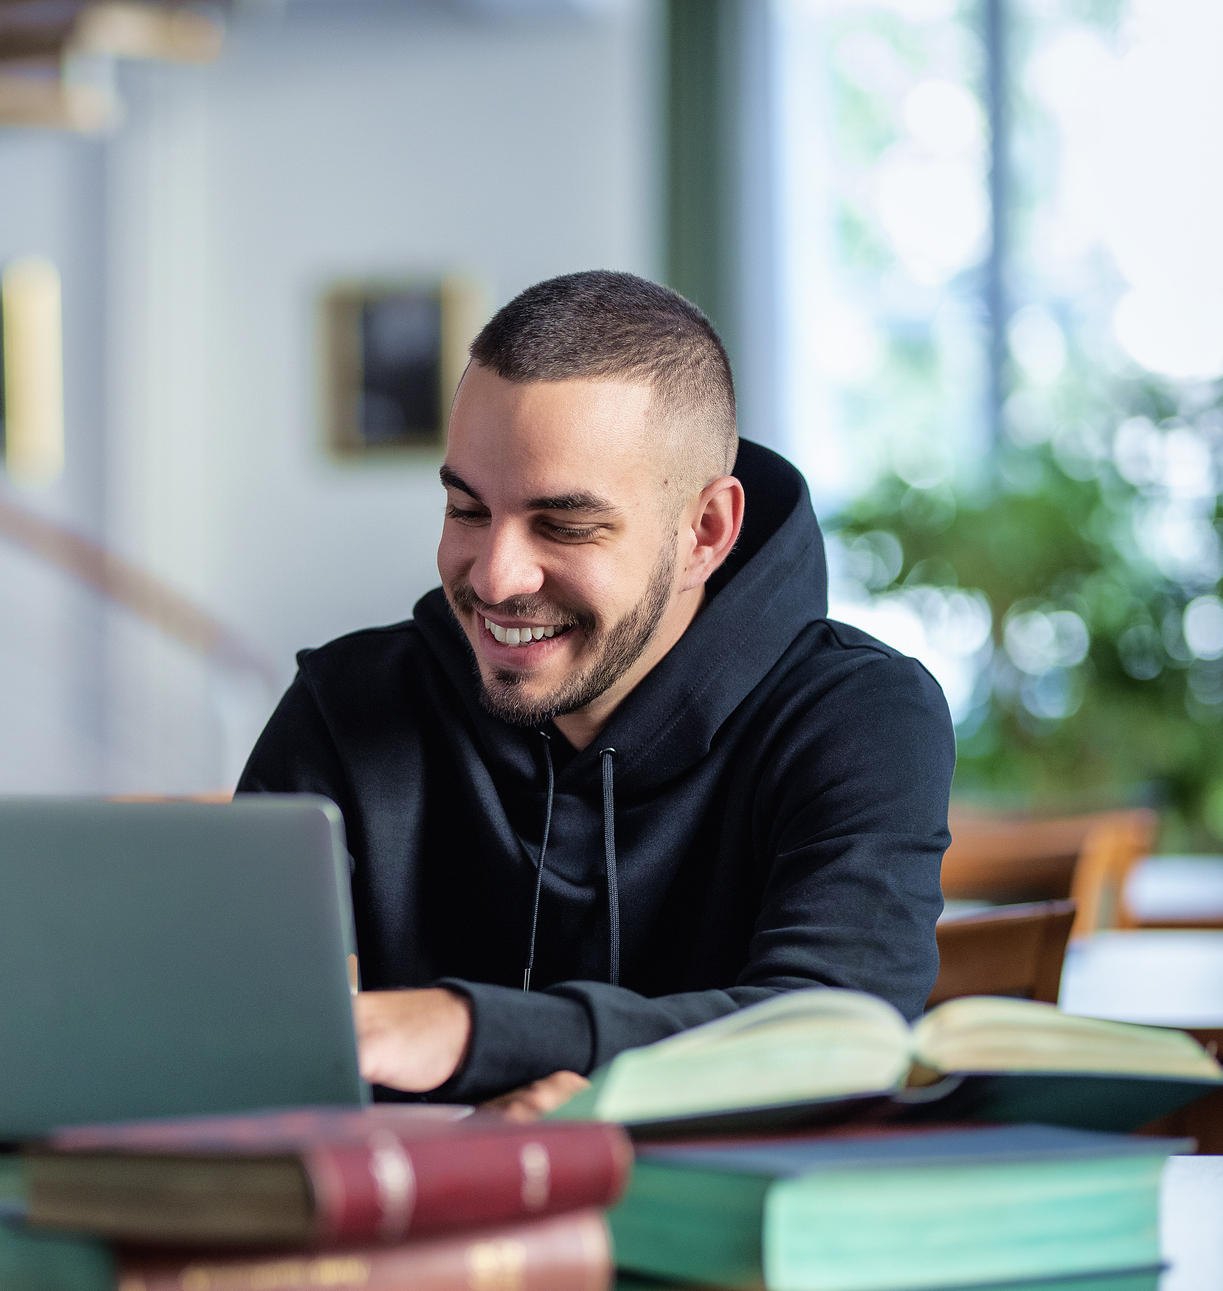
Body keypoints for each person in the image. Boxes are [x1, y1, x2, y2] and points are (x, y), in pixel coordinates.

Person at [237, 271, 954, 1114]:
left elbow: (833, 1039)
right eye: (467, 510)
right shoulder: (345, 704)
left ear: (704, 533)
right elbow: (227, 1034)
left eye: (565, 526)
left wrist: (470, 1030)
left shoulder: (860, 718)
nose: (496, 577)